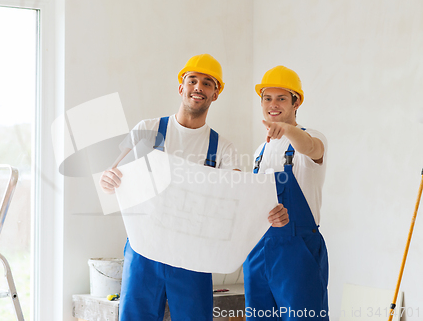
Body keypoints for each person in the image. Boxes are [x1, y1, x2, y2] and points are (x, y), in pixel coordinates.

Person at [99, 54, 289, 321]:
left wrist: (269, 213)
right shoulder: (148, 130)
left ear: (215, 94)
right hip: (144, 250)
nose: (199, 87)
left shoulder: (223, 148)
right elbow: (112, 180)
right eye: (193, 80)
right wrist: (107, 182)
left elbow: (237, 199)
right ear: (181, 87)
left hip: (195, 256)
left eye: (208, 83)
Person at [243, 65, 329, 320]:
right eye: (267, 98)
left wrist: (287, 130)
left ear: (296, 102)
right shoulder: (260, 151)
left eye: (281, 98)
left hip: (297, 251)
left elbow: (311, 148)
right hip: (259, 249)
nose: (273, 104)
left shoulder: (310, 137)